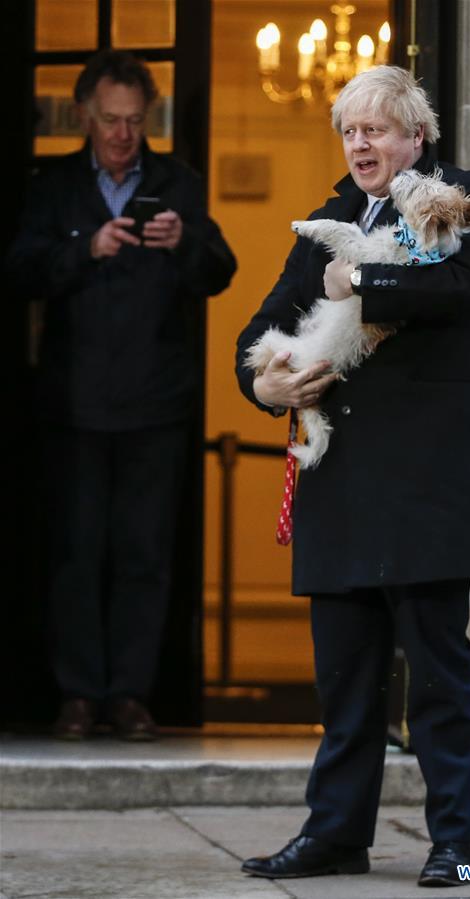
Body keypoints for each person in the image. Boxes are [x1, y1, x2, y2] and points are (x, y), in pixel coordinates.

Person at [235, 66, 470, 887]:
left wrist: (357, 277)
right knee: (345, 684)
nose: (360, 144)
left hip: (427, 484)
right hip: (341, 485)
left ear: (415, 134)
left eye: (376, 129)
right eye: (349, 131)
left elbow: (463, 284)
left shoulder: (466, 197)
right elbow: (263, 322)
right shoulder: (326, 218)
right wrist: (264, 383)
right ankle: (334, 834)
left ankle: (456, 843)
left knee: (436, 679)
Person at [7, 50, 236, 741]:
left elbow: (221, 270)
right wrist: (86, 249)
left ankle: (131, 695)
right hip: (72, 404)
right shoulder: (53, 189)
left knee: (143, 554)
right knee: (76, 553)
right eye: (110, 121)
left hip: (156, 404)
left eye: (135, 122)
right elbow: (19, 271)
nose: (122, 135)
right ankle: (79, 694)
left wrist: (183, 240)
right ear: (85, 116)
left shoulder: (178, 183)